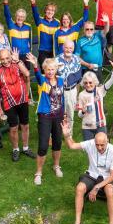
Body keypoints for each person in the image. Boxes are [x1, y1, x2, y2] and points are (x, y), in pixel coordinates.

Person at [62, 119, 113, 224]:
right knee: (79, 188)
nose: (99, 147)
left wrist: (96, 187)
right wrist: (67, 135)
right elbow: (72, 145)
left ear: (107, 142)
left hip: (107, 177)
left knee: (110, 191)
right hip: (92, 175)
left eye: (102, 145)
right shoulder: (90, 144)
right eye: (97, 144)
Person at [27, 54, 64, 186]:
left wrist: (63, 115)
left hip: (58, 116)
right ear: (45, 70)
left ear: (56, 70)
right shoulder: (43, 80)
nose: (50, 71)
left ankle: (56, 166)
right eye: (48, 69)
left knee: (57, 142)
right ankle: (38, 172)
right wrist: (35, 65)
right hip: (45, 116)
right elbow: (37, 75)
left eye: (52, 69)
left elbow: (61, 99)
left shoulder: (60, 81)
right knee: (43, 145)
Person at [0, 49, 36, 162]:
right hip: (9, 103)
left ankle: (26, 148)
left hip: (22, 100)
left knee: (25, 125)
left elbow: (27, 75)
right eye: (2, 59)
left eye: (7, 58)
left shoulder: (18, 64)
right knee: (13, 128)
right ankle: (16, 149)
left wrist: (17, 61)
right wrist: (0, 108)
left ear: (10, 56)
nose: (5, 61)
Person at [77, 55, 113, 141]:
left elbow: (111, 81)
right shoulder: (81, 95)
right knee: (89, 151)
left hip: (101, 125)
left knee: (102, 149)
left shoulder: (100, 90)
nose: (88, 85)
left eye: (90, 82)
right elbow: (79, 115)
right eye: (85, 83)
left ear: (95, 82)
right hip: (87, 127)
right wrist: (83, 111)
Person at [57, 40, 83, 128]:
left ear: (73, 49)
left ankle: (69, 134)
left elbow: (78, 75)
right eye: (66, 48)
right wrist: (61, 80)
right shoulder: (56, 60)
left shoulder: (76, 59)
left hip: (72, 91)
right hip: (59, 91)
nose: (68, 50)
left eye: (70, 48)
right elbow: (52, 75)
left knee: (70, 114)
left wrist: (66, 79)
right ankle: (57, 133)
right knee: (58, 113)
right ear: (63, 48)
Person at [31, 0, 60, 68]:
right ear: (45, 10)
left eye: (52, 10)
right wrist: (33, 2)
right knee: (45, 72)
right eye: (48, 10)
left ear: (54, 12)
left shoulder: (58, 23)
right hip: (43, 52)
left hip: (54, 52)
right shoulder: (40, 21)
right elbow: (35, 14)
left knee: (53, 72)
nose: (50, 12)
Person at [77, 17, 109, 82]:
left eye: (91, 29)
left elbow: (106, 31)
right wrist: (87, 65)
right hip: (86, 68)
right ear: (84, 30)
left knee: (98, 87)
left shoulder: (97, 36)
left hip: (98, 67)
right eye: (87, 29)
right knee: (87, 87)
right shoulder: (80, 41)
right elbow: (77, 57)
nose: (89, 31)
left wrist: (107, 23)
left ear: (94, 30)